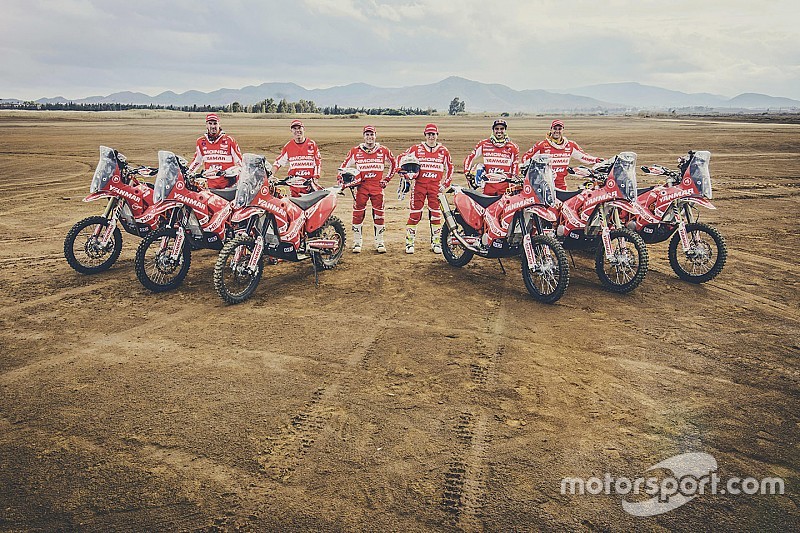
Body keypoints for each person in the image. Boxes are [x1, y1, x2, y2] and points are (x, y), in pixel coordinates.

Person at [397, 123, 453, 254]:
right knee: (415, 214)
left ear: (437, 135)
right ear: (425, 135)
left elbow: (450, 168)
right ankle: (410, 243)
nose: (431, 136)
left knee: (436, 215)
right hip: (419, 186)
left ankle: (436, 242)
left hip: (435, 187)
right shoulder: (416, 148)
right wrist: (403, 173)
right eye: (429, 134)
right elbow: (400, 159)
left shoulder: (443, 151)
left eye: (433, 134)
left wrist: (445, 185)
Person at [340, 125, 396, 253]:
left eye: (372, 134)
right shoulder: (355, 151)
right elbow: (343, 167)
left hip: (377, 187)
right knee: (358, 214)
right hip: (361, 188)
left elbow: (394, 163)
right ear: (363, 136)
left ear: (375, 136)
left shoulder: (383, 150)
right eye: (367, 134)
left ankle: (379, 242)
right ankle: (357, 242)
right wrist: (343, 180)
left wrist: (387, 179)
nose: (369, 137)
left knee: (379, 214)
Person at [522, 119, 603, 191]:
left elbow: (583, 156)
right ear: (551, 129)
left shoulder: (570, 145)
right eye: (555, 128)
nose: (557, 131)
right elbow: (526, 158)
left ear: (563, 130)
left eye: (559, 129)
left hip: (561, 185)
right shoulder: (542, 145)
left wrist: (597, 160)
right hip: (544, 184)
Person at [463, 119, 520, 196]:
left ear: (505, 130)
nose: (499, 131)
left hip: (505, 187)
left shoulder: (512, 147)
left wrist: (513, 184)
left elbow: (515, 165)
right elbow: (470, 158)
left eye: (502, 129)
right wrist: (467, 171)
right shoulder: (484, 144)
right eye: (496, 129)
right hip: (488, 187)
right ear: (493, 130)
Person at [187, 113, 243, 189]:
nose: (213, 126)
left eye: (215, 123)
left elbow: (240, 163)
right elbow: (196, 162)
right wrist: (188, 174)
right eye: (210, 123)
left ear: (219, 124)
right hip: (210, 187)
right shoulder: (201, 142)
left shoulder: (229, 140)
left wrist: (234, 173)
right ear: (206, 125)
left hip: (229, 187)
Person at [272, 119, 322, 197]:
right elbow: (278, 163)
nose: (297, 131)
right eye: (294, 129)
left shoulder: (312, 144)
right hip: (295, 186)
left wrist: (316, 177)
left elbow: (318, 162)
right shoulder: (288, 146)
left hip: (309, 184)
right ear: (291, 131)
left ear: (303, 129)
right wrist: (270, 175)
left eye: (299, 128)